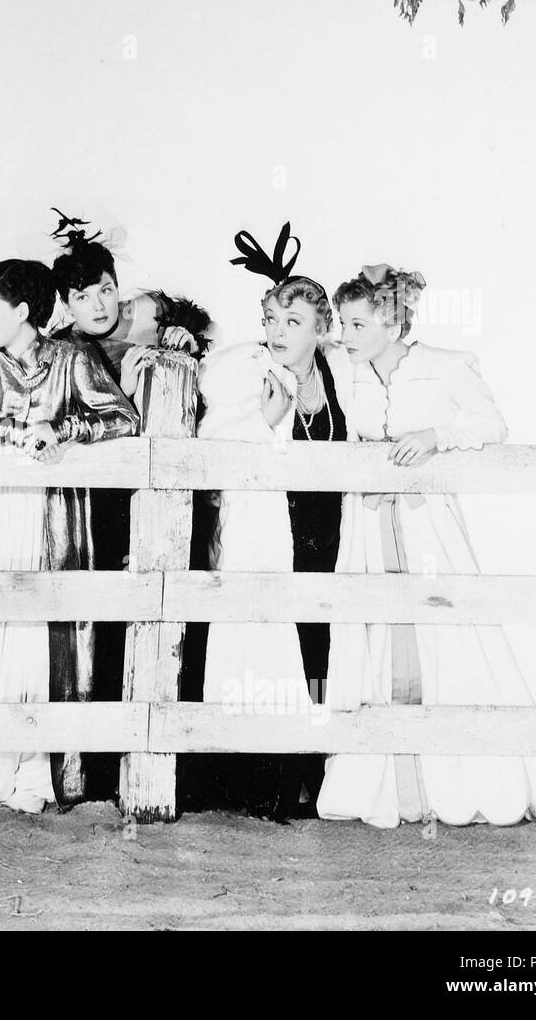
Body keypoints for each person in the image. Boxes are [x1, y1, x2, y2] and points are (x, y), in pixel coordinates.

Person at [317, 264, 536, 828]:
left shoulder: (445, 366)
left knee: (451, 635)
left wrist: (435, 437)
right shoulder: (341, 367)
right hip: (364, 526)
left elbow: (492, 425)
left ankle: (475, 780)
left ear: (390, 321)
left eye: (357, 324)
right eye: (342, 323)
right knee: (373, 639)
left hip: (427, 523)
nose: (345, 334)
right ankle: (385, 784)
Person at [0, 258, 140, 813]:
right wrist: (17, 434)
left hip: (52, 514)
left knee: (39, 634)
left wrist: (66, 429)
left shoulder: (70, 357)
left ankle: (37, 766)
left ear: (23, 310)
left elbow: (124, 418)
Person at [45, 214, 212, 799]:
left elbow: (194, 328)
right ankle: (97, 771)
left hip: (167, 494)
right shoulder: (63, 348)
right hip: (98, 503)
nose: (98, 304)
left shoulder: (150, 321)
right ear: (67, 302)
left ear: (120, 286)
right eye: (83, 296)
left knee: (170, 610)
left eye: (106, 290)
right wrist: (120, 378)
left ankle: (178, 768)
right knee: (106, 622)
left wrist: (179, 344)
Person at [193, 237, 351, 820]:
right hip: (262, 527)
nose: (278, 331)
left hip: (326, 527)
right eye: (271, 319)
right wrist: (263, 421)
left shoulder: (340, 374)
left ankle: (308, 772)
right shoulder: (241, 368)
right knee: (260, 642)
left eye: (294, 320)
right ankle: (249, 776)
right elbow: (208, 442)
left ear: (321, 329)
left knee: (318, 643)